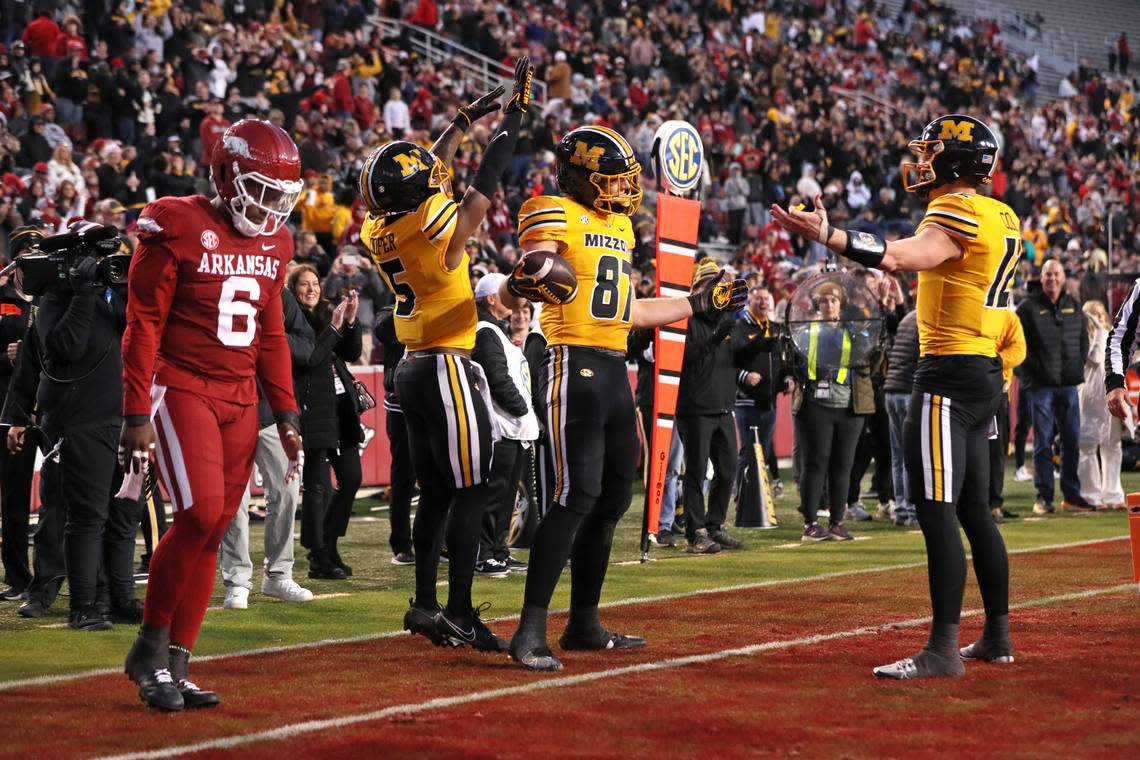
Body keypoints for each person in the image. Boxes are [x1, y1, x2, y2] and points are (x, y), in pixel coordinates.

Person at [772, 113, 1019, 679]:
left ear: (956, 162)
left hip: (947, 376)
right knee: (976, 511)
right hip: (982, 371)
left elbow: (899, 257)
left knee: (937, 512)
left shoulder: (956, 207)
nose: (923, 161)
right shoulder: (1002, 213)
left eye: (933, 152)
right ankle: (999, 635)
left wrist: (830, 236)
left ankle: (942, 650)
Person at [506, 125, 747, 672]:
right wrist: (537, 272)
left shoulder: (616, 225)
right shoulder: (551, 210)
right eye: (610, 181)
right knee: (574, 495)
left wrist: (699, 302)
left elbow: (632, 312)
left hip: (613, 366)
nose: (621, 191)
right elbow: (534, 267)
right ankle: (529, 629)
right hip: (573, 361)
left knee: (615, 496)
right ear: (580, 178)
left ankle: (584, 621)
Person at [119, 119, 304, 712]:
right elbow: (142, 323)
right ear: (226, 176)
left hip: (242, 398)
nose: (271, 206)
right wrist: (134, 411)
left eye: (281, 195)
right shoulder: (177, 222)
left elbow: (272, 334)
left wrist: (288, 411)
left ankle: (177, 663)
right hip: (184, 387)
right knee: (197, 516)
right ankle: (148, 650)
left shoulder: (276, 243)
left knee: (216, 527)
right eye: (261, 189)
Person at [360, 61, 532, 652]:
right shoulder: (436, 225)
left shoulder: (379, 227)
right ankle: (458, 609)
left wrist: (462, 121)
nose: (438, 181)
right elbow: (481, 191)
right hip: (447, 363)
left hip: (412, 367)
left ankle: (425, 605)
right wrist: (510, 122)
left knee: (434, 493)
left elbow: (424, 175)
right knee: (474, 487)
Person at [218, 286, 316, 609]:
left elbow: (307, 344)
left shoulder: (276, 290)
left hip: (272, 410)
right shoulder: (218, 275)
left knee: (287, 492)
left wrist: (269, 339)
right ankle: (237, 579)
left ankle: (278, 573)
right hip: (229, 405)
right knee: (234, 499)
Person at [288, 265, 363, 579]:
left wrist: (349, 322)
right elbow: (311, 358)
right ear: (293, 291)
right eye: (303, 284)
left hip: (341, 409)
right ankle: (319, 556)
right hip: (313, 410)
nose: (311, 289)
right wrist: (334, 327)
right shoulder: (292, 321)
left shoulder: (325, 315)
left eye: (315, 283)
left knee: (351, 479)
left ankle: (329, 544)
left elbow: (353, 352)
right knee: (319, 488)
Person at [676, 257, 745, 553]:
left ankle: (715, 526)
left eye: (721, 286)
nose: (719, 292)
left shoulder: (729, 321)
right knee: (695, 471)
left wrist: (759, 348)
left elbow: (738, 359)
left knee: (728, 470)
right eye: (711, 285)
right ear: (699, 288)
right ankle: (694, 533)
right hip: (695, 409)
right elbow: (685, 359)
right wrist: (716, 338)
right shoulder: (686, 320)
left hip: (724, 408)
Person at [789, 281, 867, 542]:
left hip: (849, 407)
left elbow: (871, 358)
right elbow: (792, 360)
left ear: (840, 305)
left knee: (842, 467)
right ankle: (810, 523)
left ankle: (836, 522)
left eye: (833, 300)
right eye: (824, 301)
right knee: (815, 465)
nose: (829, 305)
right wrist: (791, 376)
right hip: (815, 406)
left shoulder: (854, 332)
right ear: (817, 306)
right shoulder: (805, 331)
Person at [472, 272, 538, 574]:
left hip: (514, 428)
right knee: (494, 494)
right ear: (491, 299)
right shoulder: (486, 331)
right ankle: (483, 552)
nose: (513, 299)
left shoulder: (496, 330)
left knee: (508, 496)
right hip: (502, 427)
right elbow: (497, 378)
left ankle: (499, 548)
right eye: (506, 294)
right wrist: (522, 407)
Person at [1016, 260, 1092, 514]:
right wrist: (1029, 378)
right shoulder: (1027, 308)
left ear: (1063, 277)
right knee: (1042, 442)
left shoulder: (1073, 305)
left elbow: (1083, 340)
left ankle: (1071, 495)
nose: (1052, 279)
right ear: (1041, 277)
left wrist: (1077, 368)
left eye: (1056, 274)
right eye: (1048, 274)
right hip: (1040, 387)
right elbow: (1016, 347)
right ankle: (1043, 497)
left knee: (1071, 441)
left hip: (1069, 385)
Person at [0, 226, 41, 601]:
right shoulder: (1, 298)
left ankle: (48, 576)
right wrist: (5, 357)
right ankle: (17, 576)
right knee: (12, 496)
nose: (34, 256)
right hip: (6, 407)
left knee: (58, 497)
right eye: (27, 251)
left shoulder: (55, 297)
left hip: (46, 409)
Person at [733, 278, 790, 501]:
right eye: (759, 298)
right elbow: (730, 362)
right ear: (750, 302)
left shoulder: (775, 329)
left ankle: (757, 492)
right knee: (748, 449)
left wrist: (787, 377)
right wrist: (744, 376)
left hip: (770, 401)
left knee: (763, 451)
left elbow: (784, 362)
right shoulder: (740, 328)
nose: (763, 302)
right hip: (746, 400)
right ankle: (740, 491)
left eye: (766, 299)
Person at [1077, 301, 1123, 509]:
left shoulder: (1114, 337)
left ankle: (1113, 495)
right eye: (1092, 315)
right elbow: (1094, 358)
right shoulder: (1081, 339)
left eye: (1100, 314)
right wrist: (1099, 332)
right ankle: (1090, 495)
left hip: (1110, 396)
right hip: (1088, 396)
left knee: (1113, 446)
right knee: (1087, 446)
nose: (1098, 318)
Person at [882, 308, 919, 527]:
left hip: (892, 391)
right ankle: (912, 510)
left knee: (898, 456)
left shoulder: (907, 319)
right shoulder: (926, 320)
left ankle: (902, 509)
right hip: (909, 392)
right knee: (912, 457)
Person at [989, 310, 1026, 523]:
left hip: (997, 392)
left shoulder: (1007, 318)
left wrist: (993, 361)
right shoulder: (971, 310)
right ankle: (971, 503)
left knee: (996, 451)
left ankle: (993, 503)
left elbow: (1019, 349)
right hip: (969, 390)